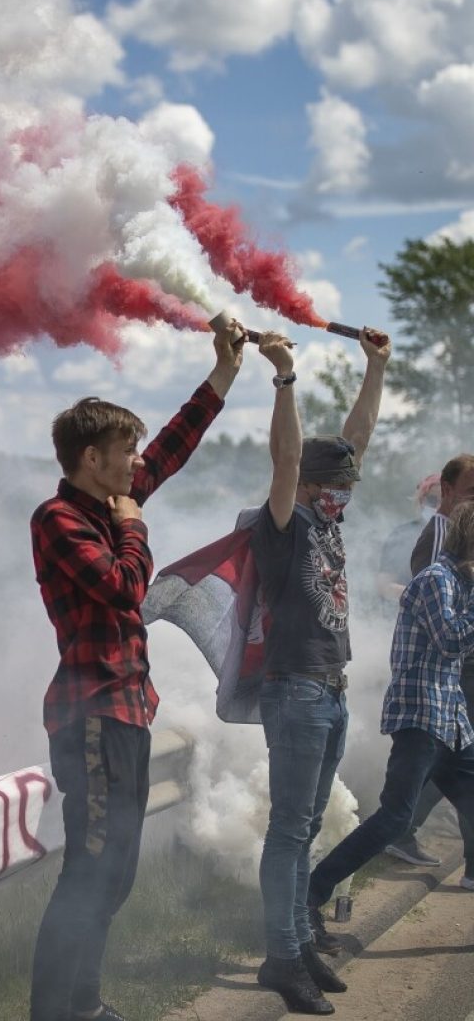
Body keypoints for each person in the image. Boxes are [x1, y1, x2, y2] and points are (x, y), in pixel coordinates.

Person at [27, 320, 246, 1021]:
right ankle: (56, 1012)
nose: (134, 465)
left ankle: (82, 1003)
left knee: (114, 873)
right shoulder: (59, 517)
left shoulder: (110, 503)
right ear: (91, 457)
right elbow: (124, 587)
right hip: (90, 716)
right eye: (123, 452)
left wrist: (223, 374)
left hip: (123, 712)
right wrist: (134, 528)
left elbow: (170, 452)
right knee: (90, 869)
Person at [250, 326, 391, 1015]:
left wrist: (375, 369)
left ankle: (299, 938)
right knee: (288, 829)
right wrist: (284, 380)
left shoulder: (328, 518)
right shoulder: (285, 522)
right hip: (297, 691)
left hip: (329, 692)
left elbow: (355, 439)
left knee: (305, 828)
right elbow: (284, 459)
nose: (344, 492)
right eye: (334, 484)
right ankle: (280, 956)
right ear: (309, 485)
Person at [307, 502, 474, 919]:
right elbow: (451, 641)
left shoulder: (460, 584)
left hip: (449, 719)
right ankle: (312, 891)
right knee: (395, 818)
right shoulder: (436, 580)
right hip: (422, 717)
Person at [384, 453, 474, 872]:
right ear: (448, 491)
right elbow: (438, 613)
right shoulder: (442, 536)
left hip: (453, 669)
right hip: (447, 672)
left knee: (456, 762)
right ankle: (400, 830)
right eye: (471, 492)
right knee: (451, 762)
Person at [374, 474, 440, 608]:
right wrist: (421, 598)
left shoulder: (464, 539)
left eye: (446, 500)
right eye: (433, 500)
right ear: (422, 500)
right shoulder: (402, 534)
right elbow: (384, 585)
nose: (439, 506)